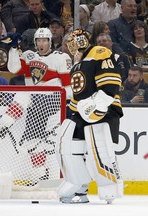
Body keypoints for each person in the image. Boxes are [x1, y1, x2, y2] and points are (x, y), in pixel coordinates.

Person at [0, 28, 73, 184]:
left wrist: (69, 104)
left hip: (51, 100)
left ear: (50, 41)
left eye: (45, 40)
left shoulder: (60, 57)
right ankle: (41, 174)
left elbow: (67, 85)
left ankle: (1, 128)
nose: (41, 43)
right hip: (34, 102)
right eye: (39, 40)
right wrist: (12, 49)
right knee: (31, 142)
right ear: (35, 42)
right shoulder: (29, 56)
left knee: (23, 94)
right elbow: (13, 69)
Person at [56, 29, 123, 204]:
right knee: (67, 142)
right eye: (70, 42)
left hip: (103, 109)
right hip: (81, 111)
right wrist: (75, 111)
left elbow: (111, 84)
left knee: (99, 145)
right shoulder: (77, 63)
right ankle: (78, 185)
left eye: (76, 40)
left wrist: (98, 104)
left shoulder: (99, 52)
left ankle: (109, 186)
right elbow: (78, 94)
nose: (73, 45)